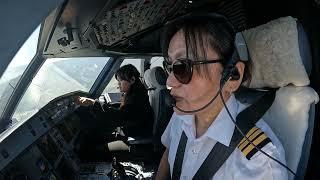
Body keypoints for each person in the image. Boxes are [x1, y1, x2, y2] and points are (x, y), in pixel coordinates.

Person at [155, 14, 288, 179]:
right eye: (169, 66)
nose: (169, 81)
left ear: (233, 76)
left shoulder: (258, 163)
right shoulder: (181, 115)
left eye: (183, 67)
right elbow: (169, 155)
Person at [77, 64, 154, 161]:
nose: (118, 85)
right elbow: (124, 113)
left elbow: (120, 117)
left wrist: (94, 103)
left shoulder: (137, 97)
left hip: (133, 135)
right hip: (131, 130)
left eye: (120, 81)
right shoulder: (136, 92)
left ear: (132, 80)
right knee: (96, 135)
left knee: (94, 148)